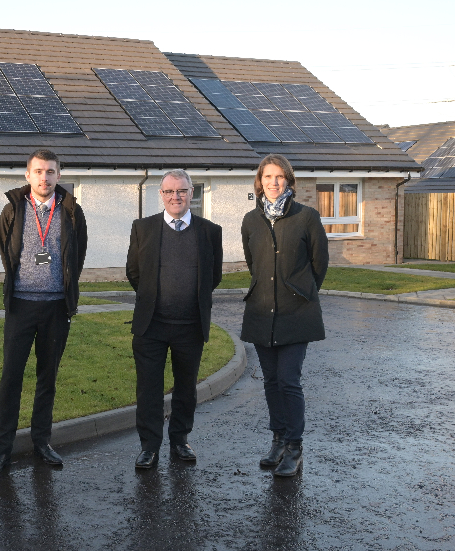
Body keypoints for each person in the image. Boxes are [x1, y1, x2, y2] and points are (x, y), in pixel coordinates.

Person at [0, 149, 88, 475]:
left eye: (51, 172)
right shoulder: (13, 210)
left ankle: (42, 443)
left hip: (56, 308)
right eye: (39, 171)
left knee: (47, 379)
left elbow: (77, 256)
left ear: (59, 175)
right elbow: (6, 251)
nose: (45, 178)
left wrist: (66, 293)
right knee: (11, 378)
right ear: (27, 175)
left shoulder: (71, 212)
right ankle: (2, 451)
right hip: (21, 307)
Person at [126, 169, 223, 469]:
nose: (175, 197)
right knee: (149, 388)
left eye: (181, 191)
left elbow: (213, 276)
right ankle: (149, 446)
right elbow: (134, 272)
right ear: (162, 195)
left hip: (190, 326)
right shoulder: (143, 228)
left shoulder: (210, 231)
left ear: (191, 193)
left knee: (185, 388)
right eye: (169, 192)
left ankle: (180, 440)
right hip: (151, 326)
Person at [240, 154, 329, 477]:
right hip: (262, 312)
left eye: (279, 177)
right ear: (259, 182)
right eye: (268, 177)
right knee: (271, 381)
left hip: (296, 314)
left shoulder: (307, 217)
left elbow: (319, 265)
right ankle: (277, 439)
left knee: (289, 381)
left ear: (289, 181)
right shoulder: (251, 221)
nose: (273, 183)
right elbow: (255, 265)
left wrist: (301, 291)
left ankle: (294, 446)